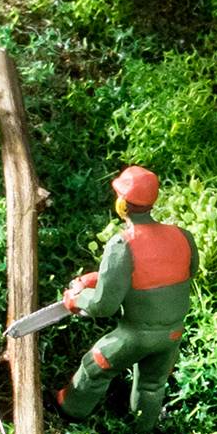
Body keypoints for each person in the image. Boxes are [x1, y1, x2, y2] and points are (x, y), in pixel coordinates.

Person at [58, 166, 197, 420]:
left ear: (122, 204)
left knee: (94, 367)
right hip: (173, 334)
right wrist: (98, 279)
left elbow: (103, 306)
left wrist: (77, 299)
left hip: (135, 335)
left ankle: (69, 413)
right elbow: (178, 271)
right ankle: (144, 432)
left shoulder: (122, 243)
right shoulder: (182, 236)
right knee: (152, 386)